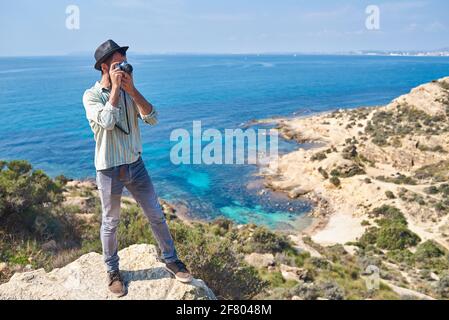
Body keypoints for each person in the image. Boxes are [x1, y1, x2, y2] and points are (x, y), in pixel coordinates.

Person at [82, 40, 192, 297]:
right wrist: (115, 90)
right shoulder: (91, 96)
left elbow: (152, 117)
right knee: (111, 222)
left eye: (124, 63)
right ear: (104, 67)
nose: (123, 67)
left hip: (135, 164)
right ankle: (112, 271)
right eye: (117, 64)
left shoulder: (130, 92)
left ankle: (171, 259)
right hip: (108, 168)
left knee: (155, 213)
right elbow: (107, 122)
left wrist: (132, 91)